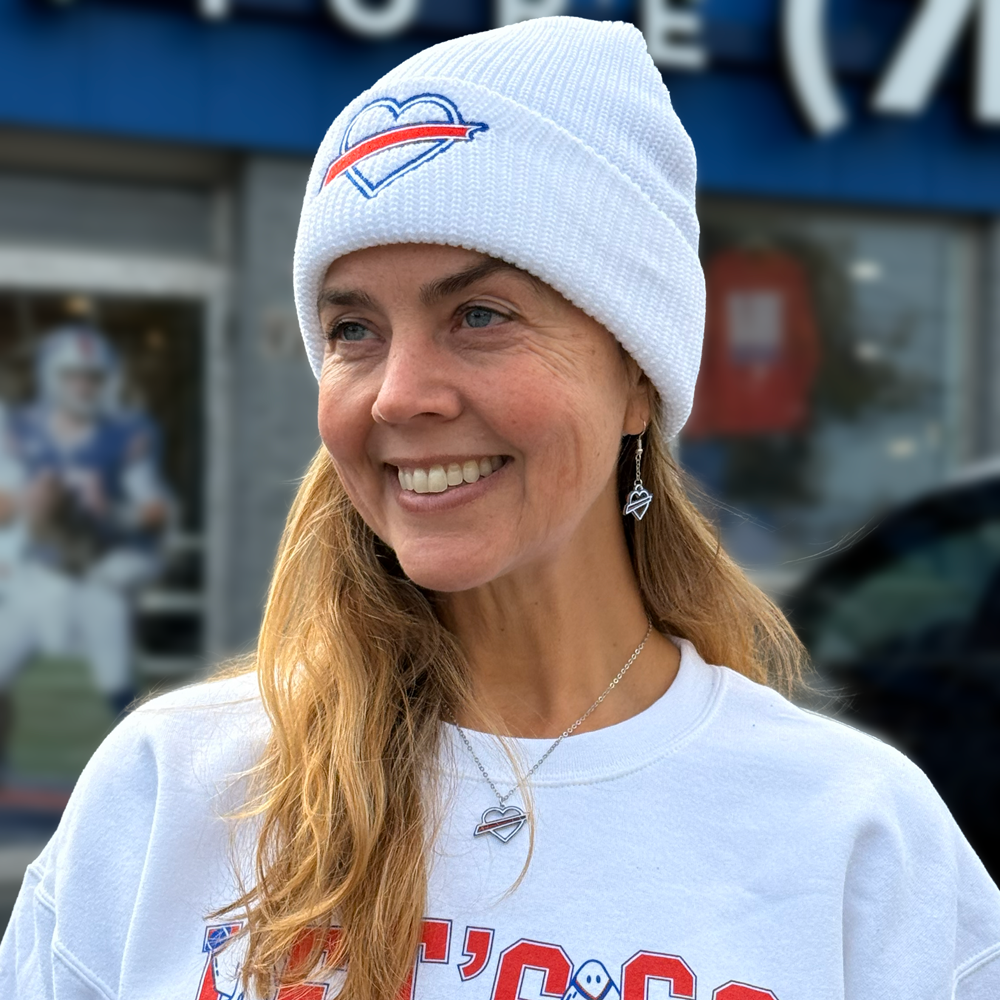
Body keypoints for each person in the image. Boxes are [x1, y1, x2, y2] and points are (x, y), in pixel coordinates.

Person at [1, 17, 998, 1000]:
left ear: (638, 377)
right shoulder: (171, 792)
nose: (397, 396)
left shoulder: (859, 844)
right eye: (353, 329)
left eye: (478, 315)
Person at [0, 325, 169, 725]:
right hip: (34, 573)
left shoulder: (125, 435)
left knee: (117, 686)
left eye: (92, 377)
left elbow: (155, 510)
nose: (83, 386)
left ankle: (133, 749)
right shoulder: (20, 431)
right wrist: (29, 501)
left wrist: (111, 510)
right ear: (51, 376)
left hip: (97, 572)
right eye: (73, 376)